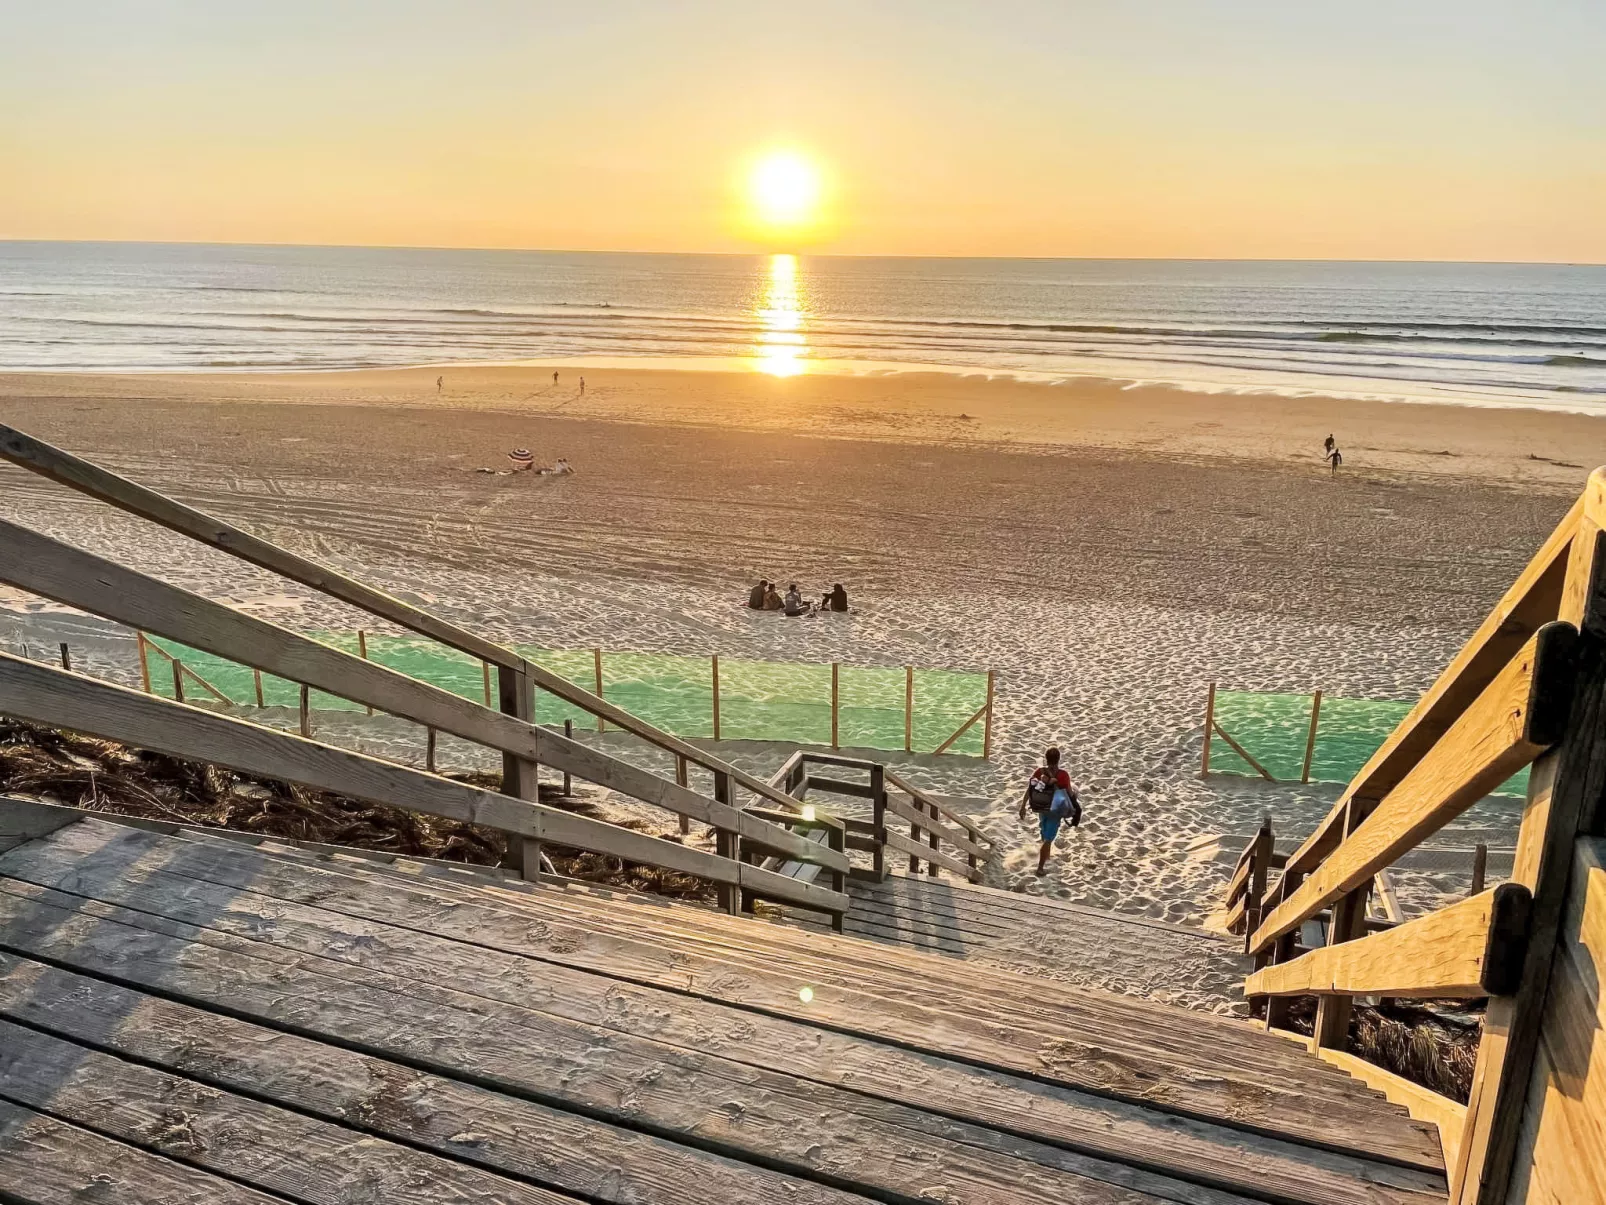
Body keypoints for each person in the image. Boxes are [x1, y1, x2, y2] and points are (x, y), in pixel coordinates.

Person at [1018, 746, 1080, 876]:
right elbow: (1069, 792)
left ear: (1046, 759)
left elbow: (1029, 789)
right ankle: (1040, 867)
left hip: (1041, 807)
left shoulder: (1039, 771)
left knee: (1045, 832)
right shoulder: (1063, 775)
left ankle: (1047, 854)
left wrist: (1023, 805)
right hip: (1055, 810)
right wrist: (1075, 804)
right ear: (1058, 759)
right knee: (1048, 838)